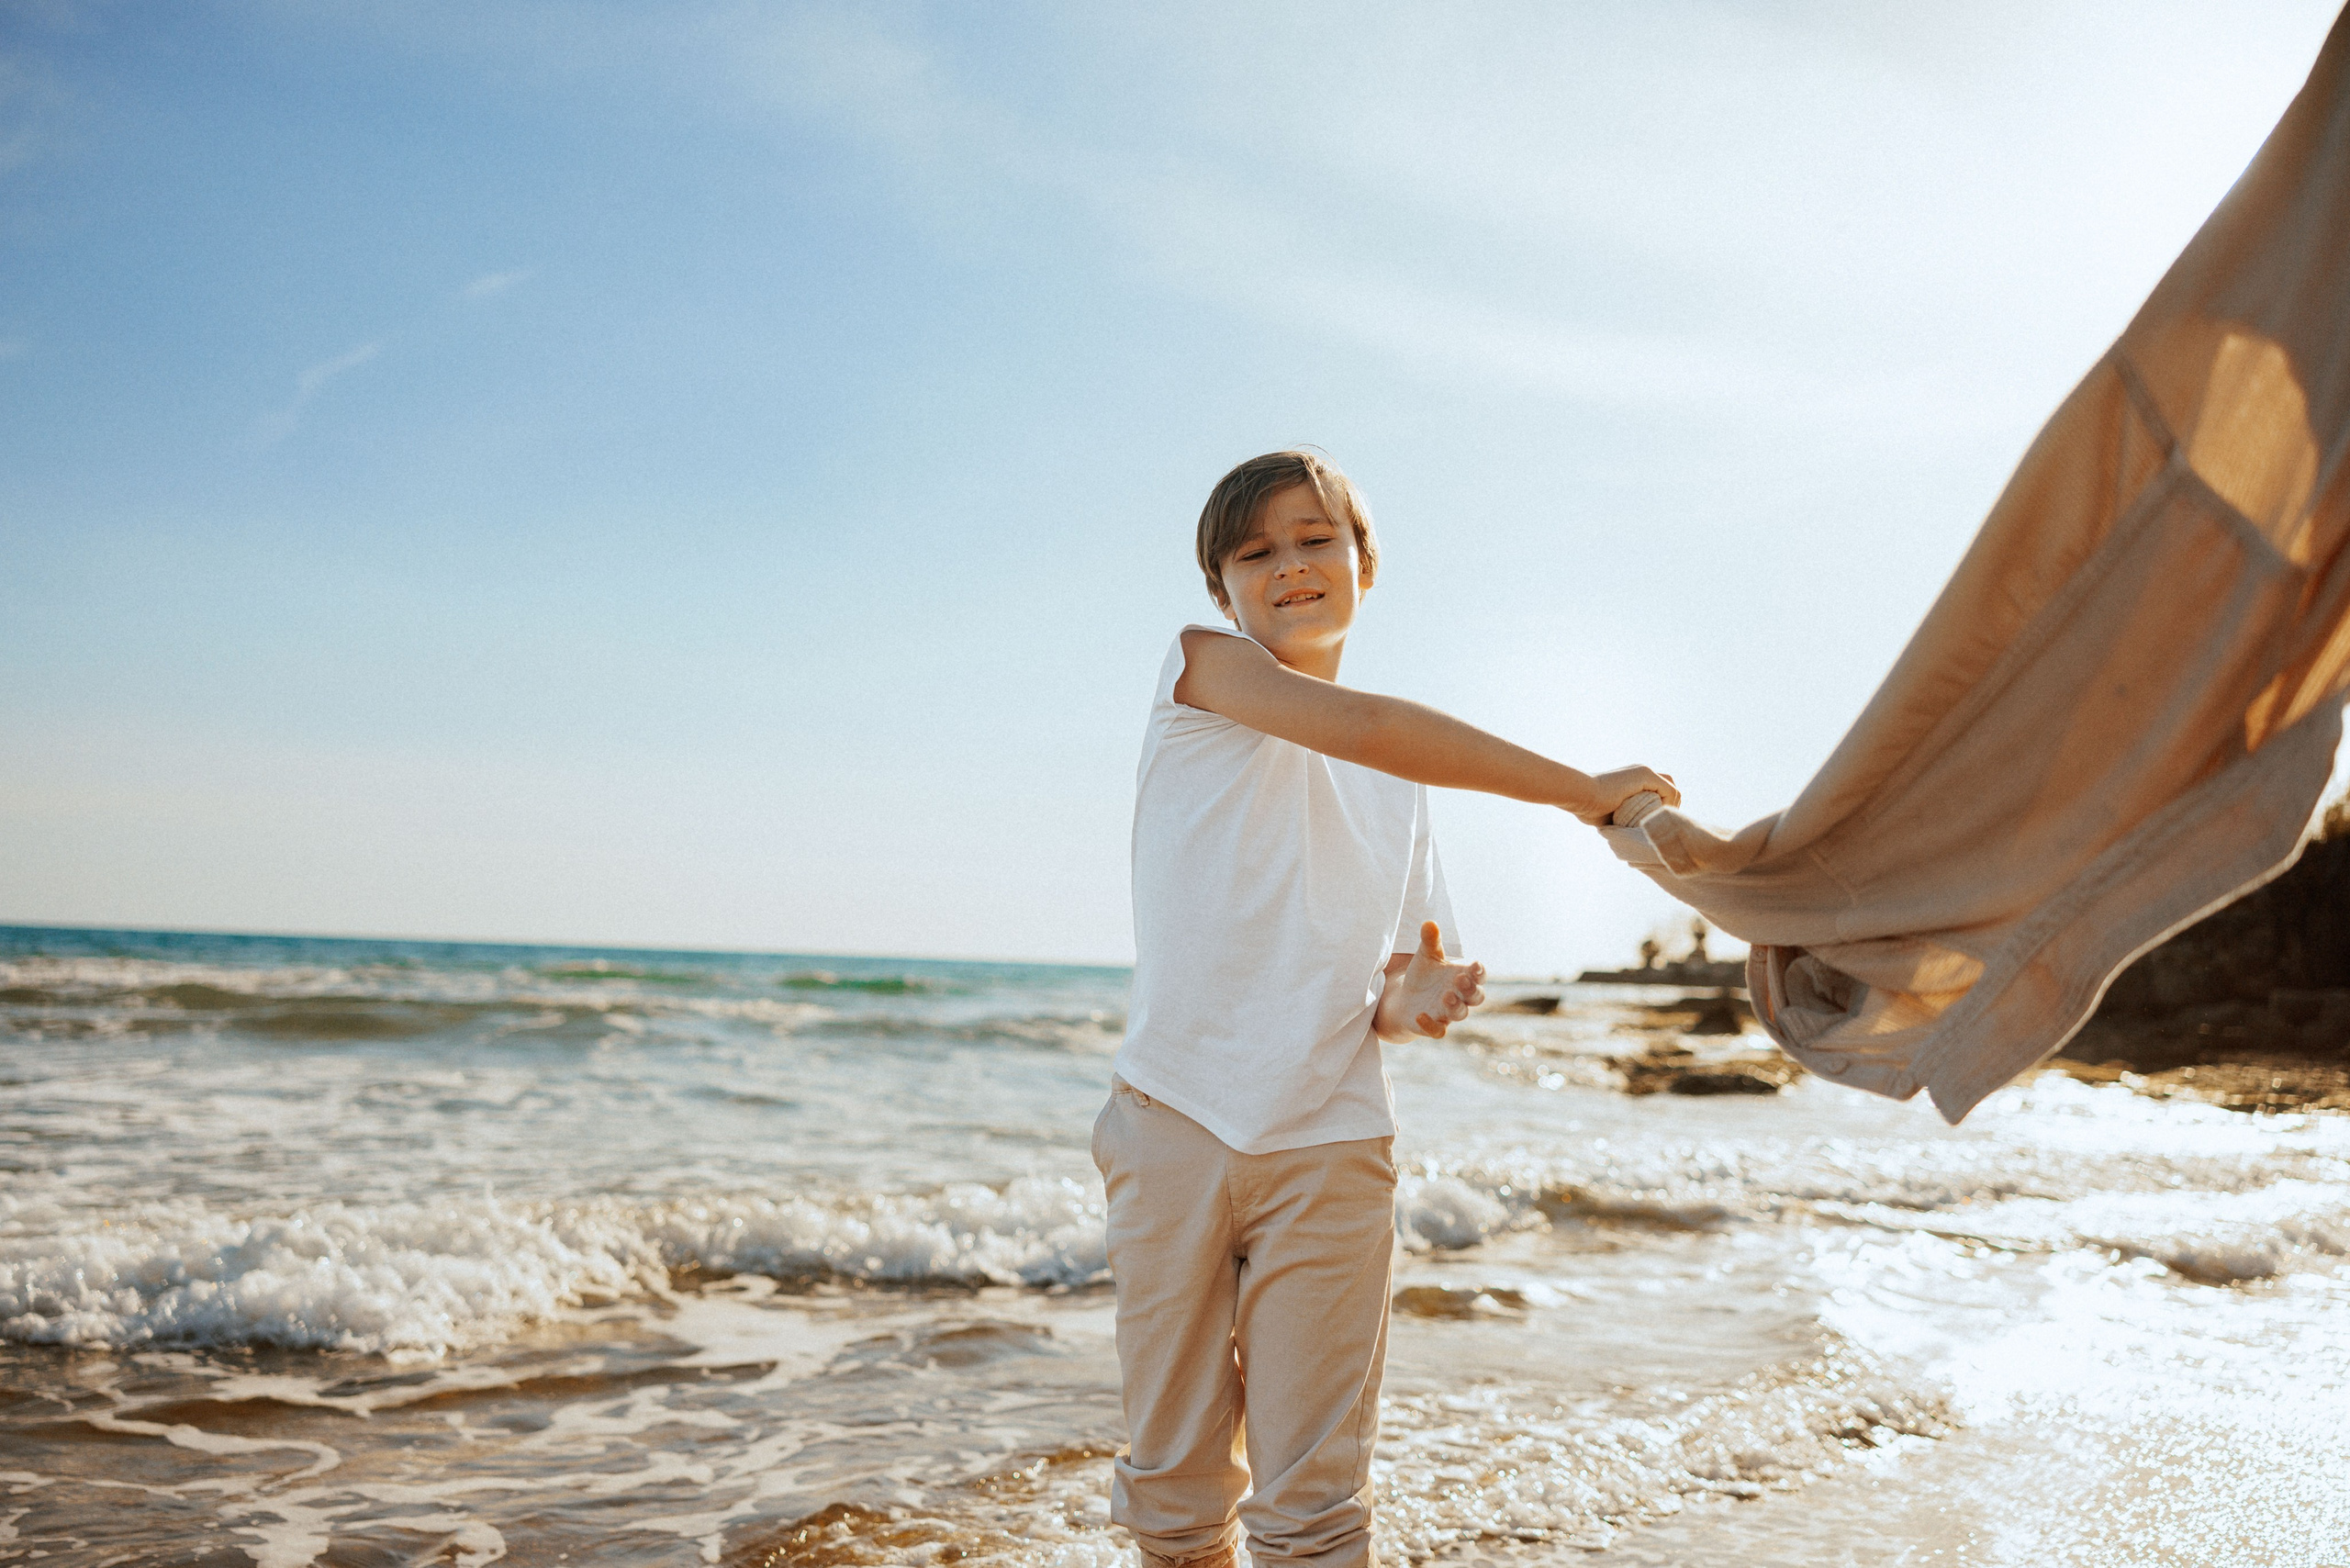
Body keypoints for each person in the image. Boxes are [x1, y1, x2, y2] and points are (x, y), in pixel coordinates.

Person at [1096, 449, 1678, 1568]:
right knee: (1173, 1496)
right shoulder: (1200, 668)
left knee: (1314, 1506)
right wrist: (1579, 789)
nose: (1290, 565)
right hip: (1173, 1121)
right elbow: (1361, 722)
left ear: (1365, 562)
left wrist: (1414, 998)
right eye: (1256, 551)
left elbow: (1392, 982)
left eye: (1316, 539)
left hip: (1332, 1142)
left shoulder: (1399, 780)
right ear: (1221, 589)